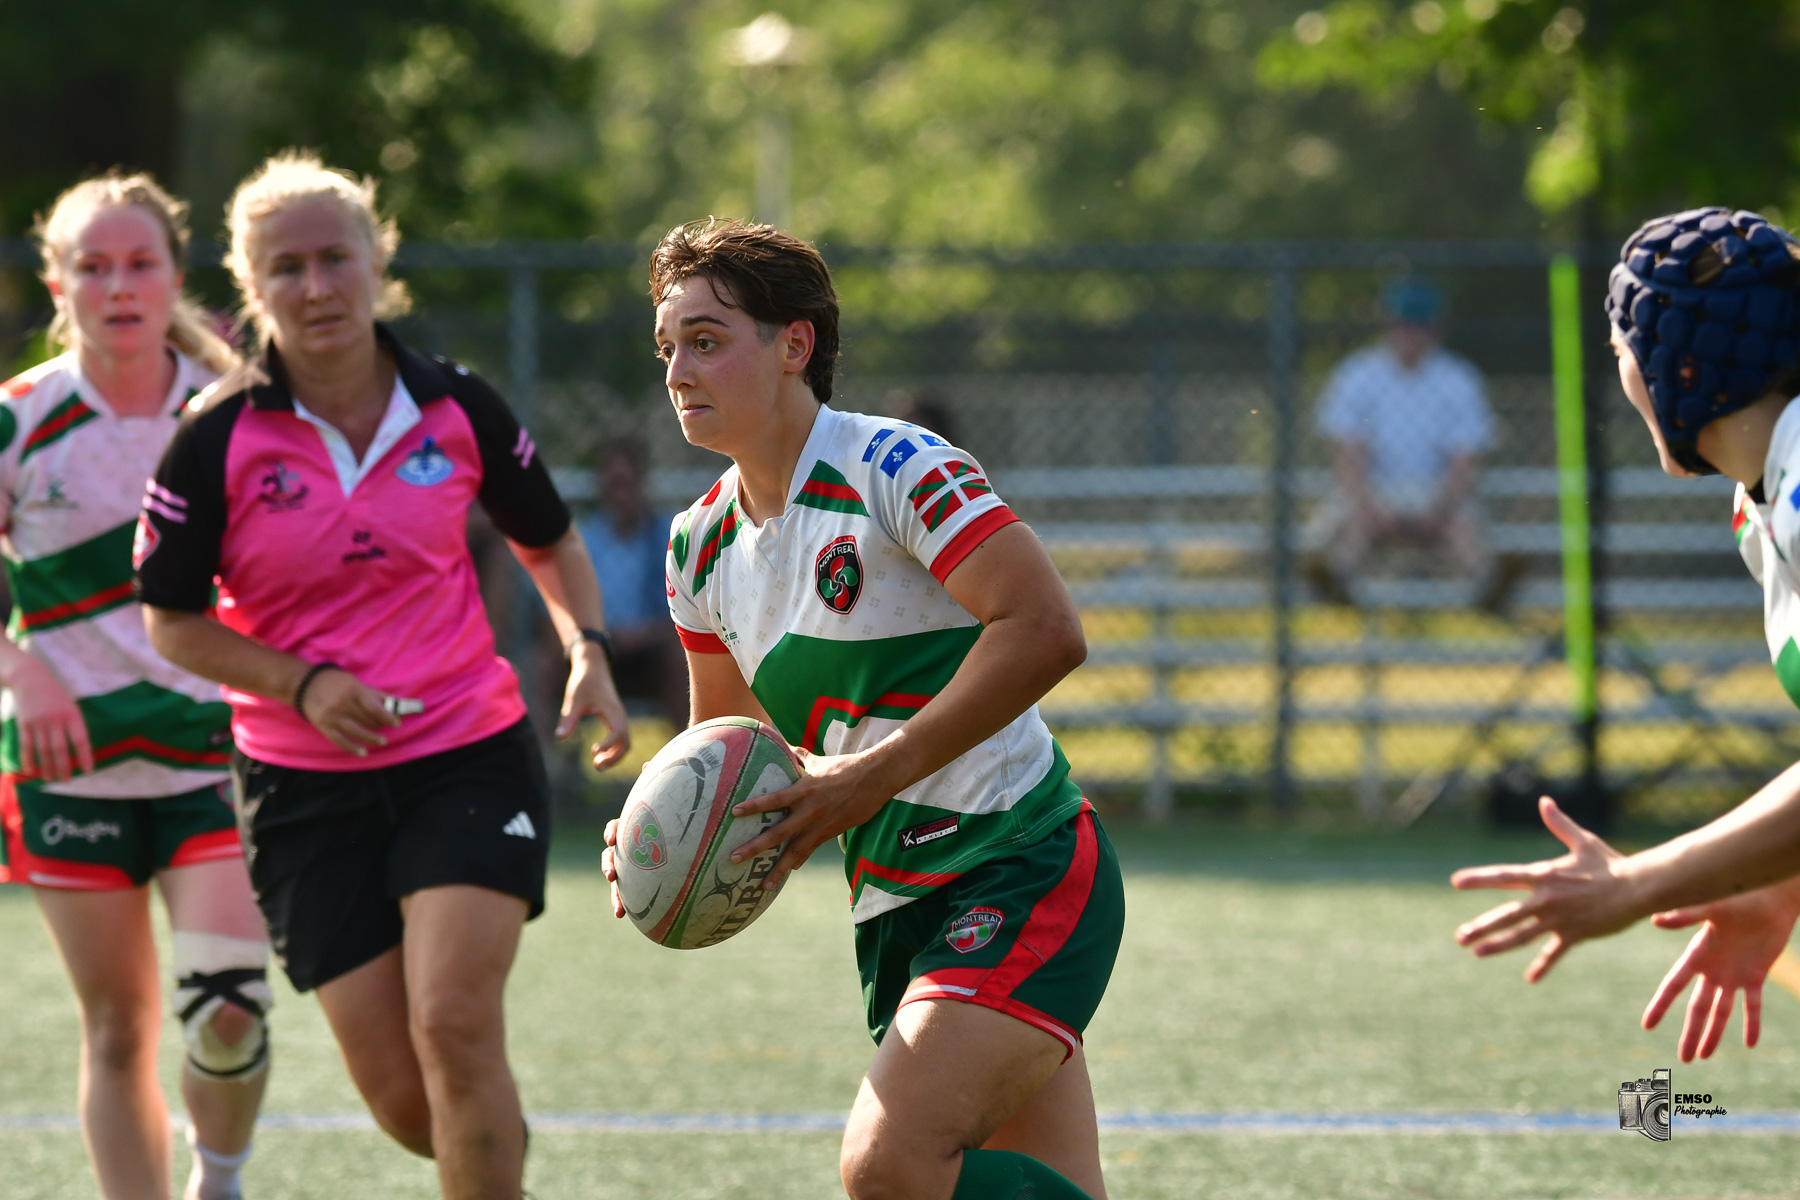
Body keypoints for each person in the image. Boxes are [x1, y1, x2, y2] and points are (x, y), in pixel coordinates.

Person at [133, 150, 629, 1200]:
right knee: (414, 1106)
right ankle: (487, 1147)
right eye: (285, 267)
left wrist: (583, 646)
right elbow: (171, 622)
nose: (315, 287)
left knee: (454, 1024)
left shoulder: (457, 407)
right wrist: (301, 684)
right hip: (304, 791)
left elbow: (551, 541)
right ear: (250, 283)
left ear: (376, 262)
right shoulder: (211, 441)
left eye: (334, 258)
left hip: (466, 752)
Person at [604, 219, 1124, 1200]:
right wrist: (658, 830)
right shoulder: (697, 549)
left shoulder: (895, 468)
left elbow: (1047, 627)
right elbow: (729, 752)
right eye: (669, 347)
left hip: (1019, 861)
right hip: (893, 905)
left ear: (794, 344)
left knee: (886, 1167)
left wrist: (871, 774)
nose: (679, 370)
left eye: (708, 340)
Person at [1453, 207, 1800, 1064]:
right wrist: (1776, 880)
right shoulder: (1767, 496)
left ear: (1679, 364)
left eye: (1621, 357)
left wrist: (1640, 883)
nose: (1625, 381)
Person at [0, 172, 270, 1200]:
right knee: (118, 1029)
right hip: (72, 771)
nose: (119, 285)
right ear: (57, 283)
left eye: (140, 263)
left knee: (230, 1007)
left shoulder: (236, 409)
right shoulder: (18, 420)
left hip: (213, 752)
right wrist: (21, 670)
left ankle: (223, 1176)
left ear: (175, 276)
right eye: (93, 266)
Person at [1305, 277, 1514, 609]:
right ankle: (1335, 595)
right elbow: (1347, 455)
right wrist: (1370, 507)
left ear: (1437, 328)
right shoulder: (1358, 375)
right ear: (1386, 324)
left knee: (1462, 526)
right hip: (1373, 490)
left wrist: (1440, 508)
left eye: (1420, 325)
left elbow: (1465, 460)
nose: (1410, 334)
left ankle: (1490, 593)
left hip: (1436, 491)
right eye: (1403, 324)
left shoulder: (1457, 378)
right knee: (1351, 529)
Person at [574, 436, 686, 726]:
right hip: (595, 651)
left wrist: (643, 635)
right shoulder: (583, 539)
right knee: (543, 664)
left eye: (626, 484)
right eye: (613, 485)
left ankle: (695, 754)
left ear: (640, 484)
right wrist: (593, 638)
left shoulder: (668, 535)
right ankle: (552, 763)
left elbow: (690, 613)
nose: (620, 495)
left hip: (651, 652)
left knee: (679, 658)